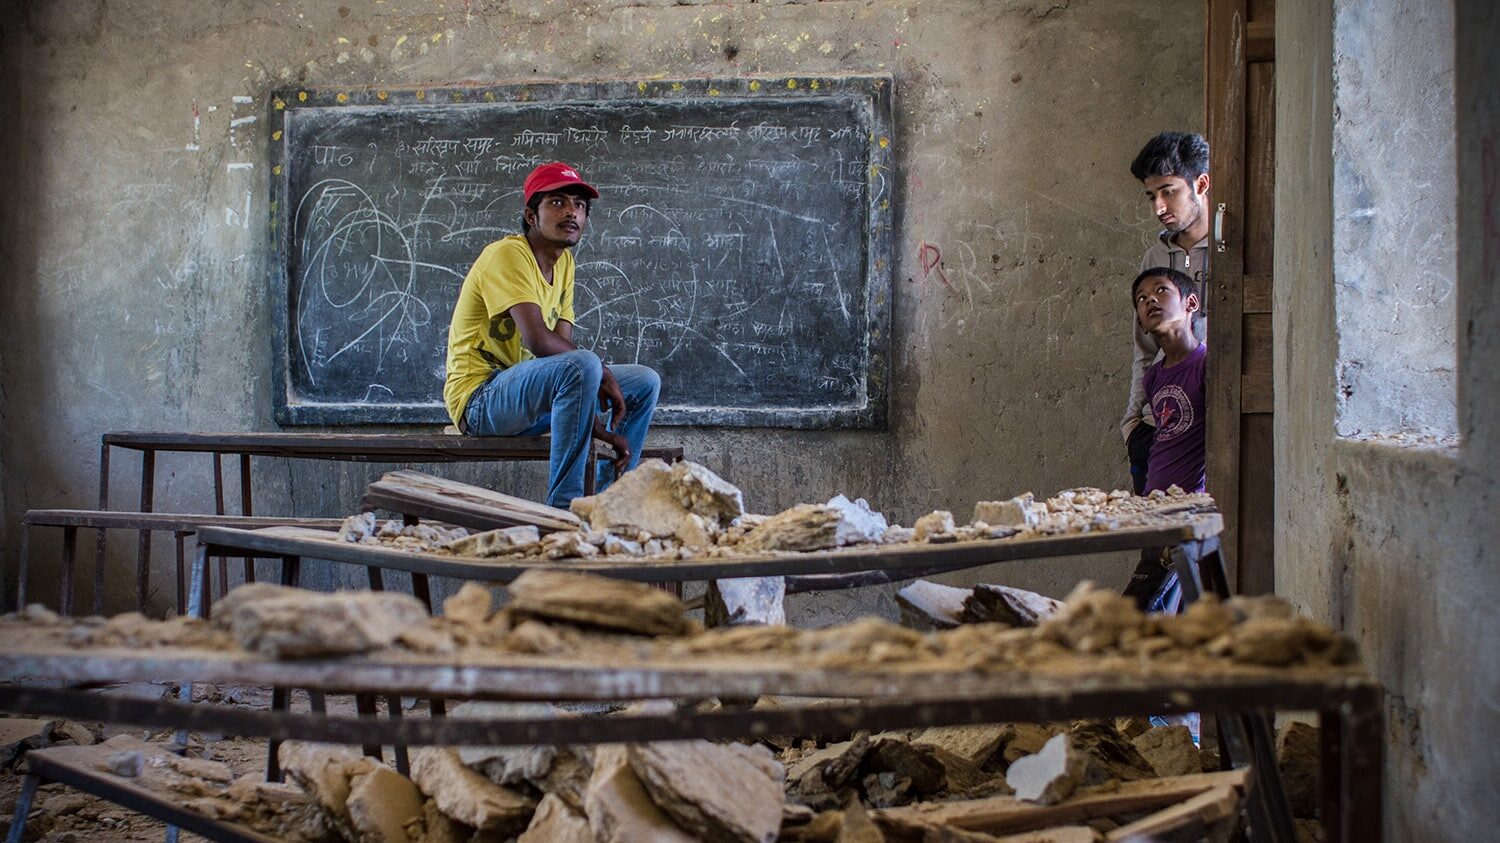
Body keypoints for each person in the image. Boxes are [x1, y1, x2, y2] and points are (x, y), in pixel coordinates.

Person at [442, 162, 660, 508]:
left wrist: (593, 418)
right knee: (586, 365)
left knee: (645, 381)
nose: (571, 212)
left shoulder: (565, 264)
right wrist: (599, 372)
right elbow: (539, 341)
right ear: (531, 215)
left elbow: (566, 358)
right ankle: (564, 511)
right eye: (557, 202)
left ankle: (609, 504)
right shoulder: (508, 254)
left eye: (579, 205)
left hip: (531, 398)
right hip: (482, 401)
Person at [1122, 132, 1211, 495]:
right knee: (1156, 541)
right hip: (1162, 424)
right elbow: (1143, 348)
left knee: (1207, 542)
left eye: (1169, 191)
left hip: (1215, 426)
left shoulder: (1237, 249)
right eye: (1151, 195)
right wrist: (1132, 422)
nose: (1159, 206)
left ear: (1200, 184)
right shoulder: (1154, 259)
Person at [1122, 267, 1207, 612]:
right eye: (1141, 299)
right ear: (1141, 323)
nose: (1150, 301)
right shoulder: (1154, 377)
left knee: (1136, 612)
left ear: (1190, 303)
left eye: (1160, 291)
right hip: (1153, 507)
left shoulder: (1207, 365)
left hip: (1187, 513)